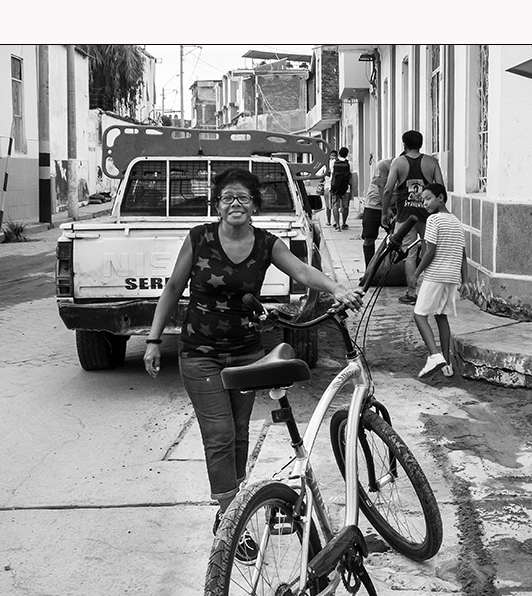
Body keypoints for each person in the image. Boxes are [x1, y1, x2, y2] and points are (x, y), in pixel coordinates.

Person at [144, 167, 362, 537]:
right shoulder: (199, 239)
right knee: (220, 434)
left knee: (240, 433)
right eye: (228, 197)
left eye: (243, 198)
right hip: (200, 353)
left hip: (247, 353)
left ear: (254, 205)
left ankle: (233, 506)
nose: (235, 204)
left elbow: (303, 271)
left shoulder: (265, 244)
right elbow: (173, 288)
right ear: (217, 204)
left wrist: (336, 288)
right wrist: (152, 340)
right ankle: (232, 524)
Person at [381, 130, 444, 304]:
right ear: (421, 144)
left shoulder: (398, 162)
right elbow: (440, 188)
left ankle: (412, 292)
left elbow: (387, 189)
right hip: (427, 215)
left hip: (405, 216)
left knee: (409, 253)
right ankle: (431, 292)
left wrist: (384, 212)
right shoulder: (431, 162)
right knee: (429, 251)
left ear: (404, 144)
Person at [411, 182, 465, 379]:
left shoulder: (434, 220)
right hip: (451, 277)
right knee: (441, 316)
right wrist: (465, 280)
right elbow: (463, 254)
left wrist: (416, 274)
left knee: (419, 315)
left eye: (428, 198)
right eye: (423, 200)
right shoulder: (457, 222)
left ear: (441, 198)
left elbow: (430, 251)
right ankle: (447, 365)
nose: (424, 203)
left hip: (435, 275)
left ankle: (434, 355)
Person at [361, 157, 391, 269]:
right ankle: (369, 270)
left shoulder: (406, 168)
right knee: (369, 238)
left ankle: (390, 269)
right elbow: (381, 186)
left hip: (392, 207)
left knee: (396, 238)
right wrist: (386, 208)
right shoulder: (384, 165)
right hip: (373, 205)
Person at [329, 146, 353, 230]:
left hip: (335, 187)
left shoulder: (333, 162)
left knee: (335, 205)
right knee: (345, 206)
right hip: (345, 188)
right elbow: (351, 176)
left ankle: (337, 224)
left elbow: (332, 174)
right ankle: (344, 223)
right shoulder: (349, 163)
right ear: (346, 154)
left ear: (339, 153)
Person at [323, 149, 337, 227]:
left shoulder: (326, 165)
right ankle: (334, 221)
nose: (333, 157)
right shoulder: (336, 164)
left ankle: (329, 221)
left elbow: (321, 177)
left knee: (328, 206)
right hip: (332, 187)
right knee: (334, 205)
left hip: (328, 187)